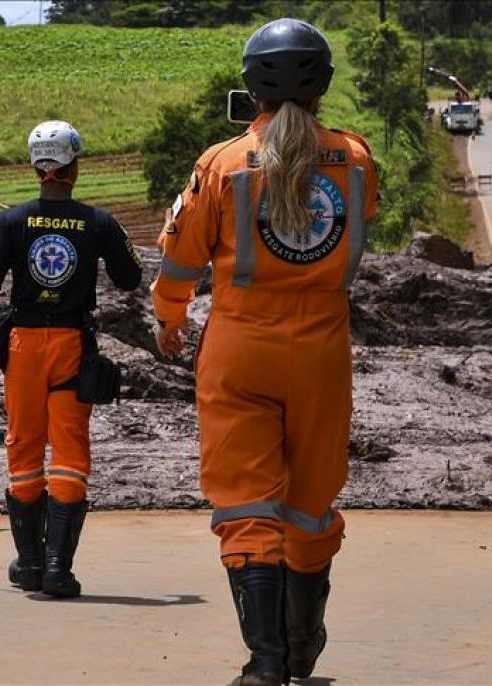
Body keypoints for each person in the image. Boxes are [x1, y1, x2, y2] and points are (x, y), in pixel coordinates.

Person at [151, 19, 378, 686]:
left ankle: (266, 660)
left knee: (246, 503)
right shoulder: (357, 160)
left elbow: (179, 259)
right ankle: (305, 643)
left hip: (239, 348)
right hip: (323, 351)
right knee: (308, 504)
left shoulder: (220, 163)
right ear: (323, 84)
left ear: (252, 87)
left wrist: (169, 320)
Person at [0, 120, 142, 598]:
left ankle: (28, 564)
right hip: (72, 344)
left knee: (23, 448)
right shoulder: (97, 221)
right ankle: (56, 570)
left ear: (36, 166)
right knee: (68, 454)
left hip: (23, 345)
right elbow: (130, 278)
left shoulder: (11, 220)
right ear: (75, 166)